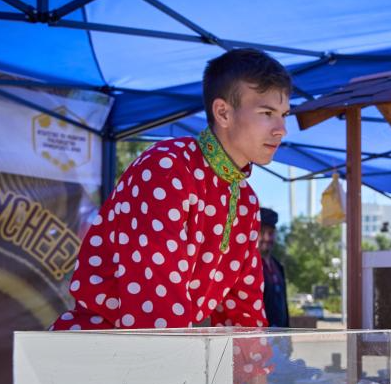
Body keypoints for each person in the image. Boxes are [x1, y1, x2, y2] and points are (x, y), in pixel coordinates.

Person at [52, 48, 291, 332]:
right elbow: (154, 299)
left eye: (284, 115)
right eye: (267, 113)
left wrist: (254, 375)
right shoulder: (167, 166)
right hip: (97, 350)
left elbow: (244, 308)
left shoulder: (245, 200)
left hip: (163, 357)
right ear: (223, 112)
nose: (281, 129)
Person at [259, 207, 290, 328]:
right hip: (259, 338)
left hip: (281, 338)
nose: (267, 238)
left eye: (271, 233)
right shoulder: (248, 267)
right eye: (262, 232)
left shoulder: (278, 266)